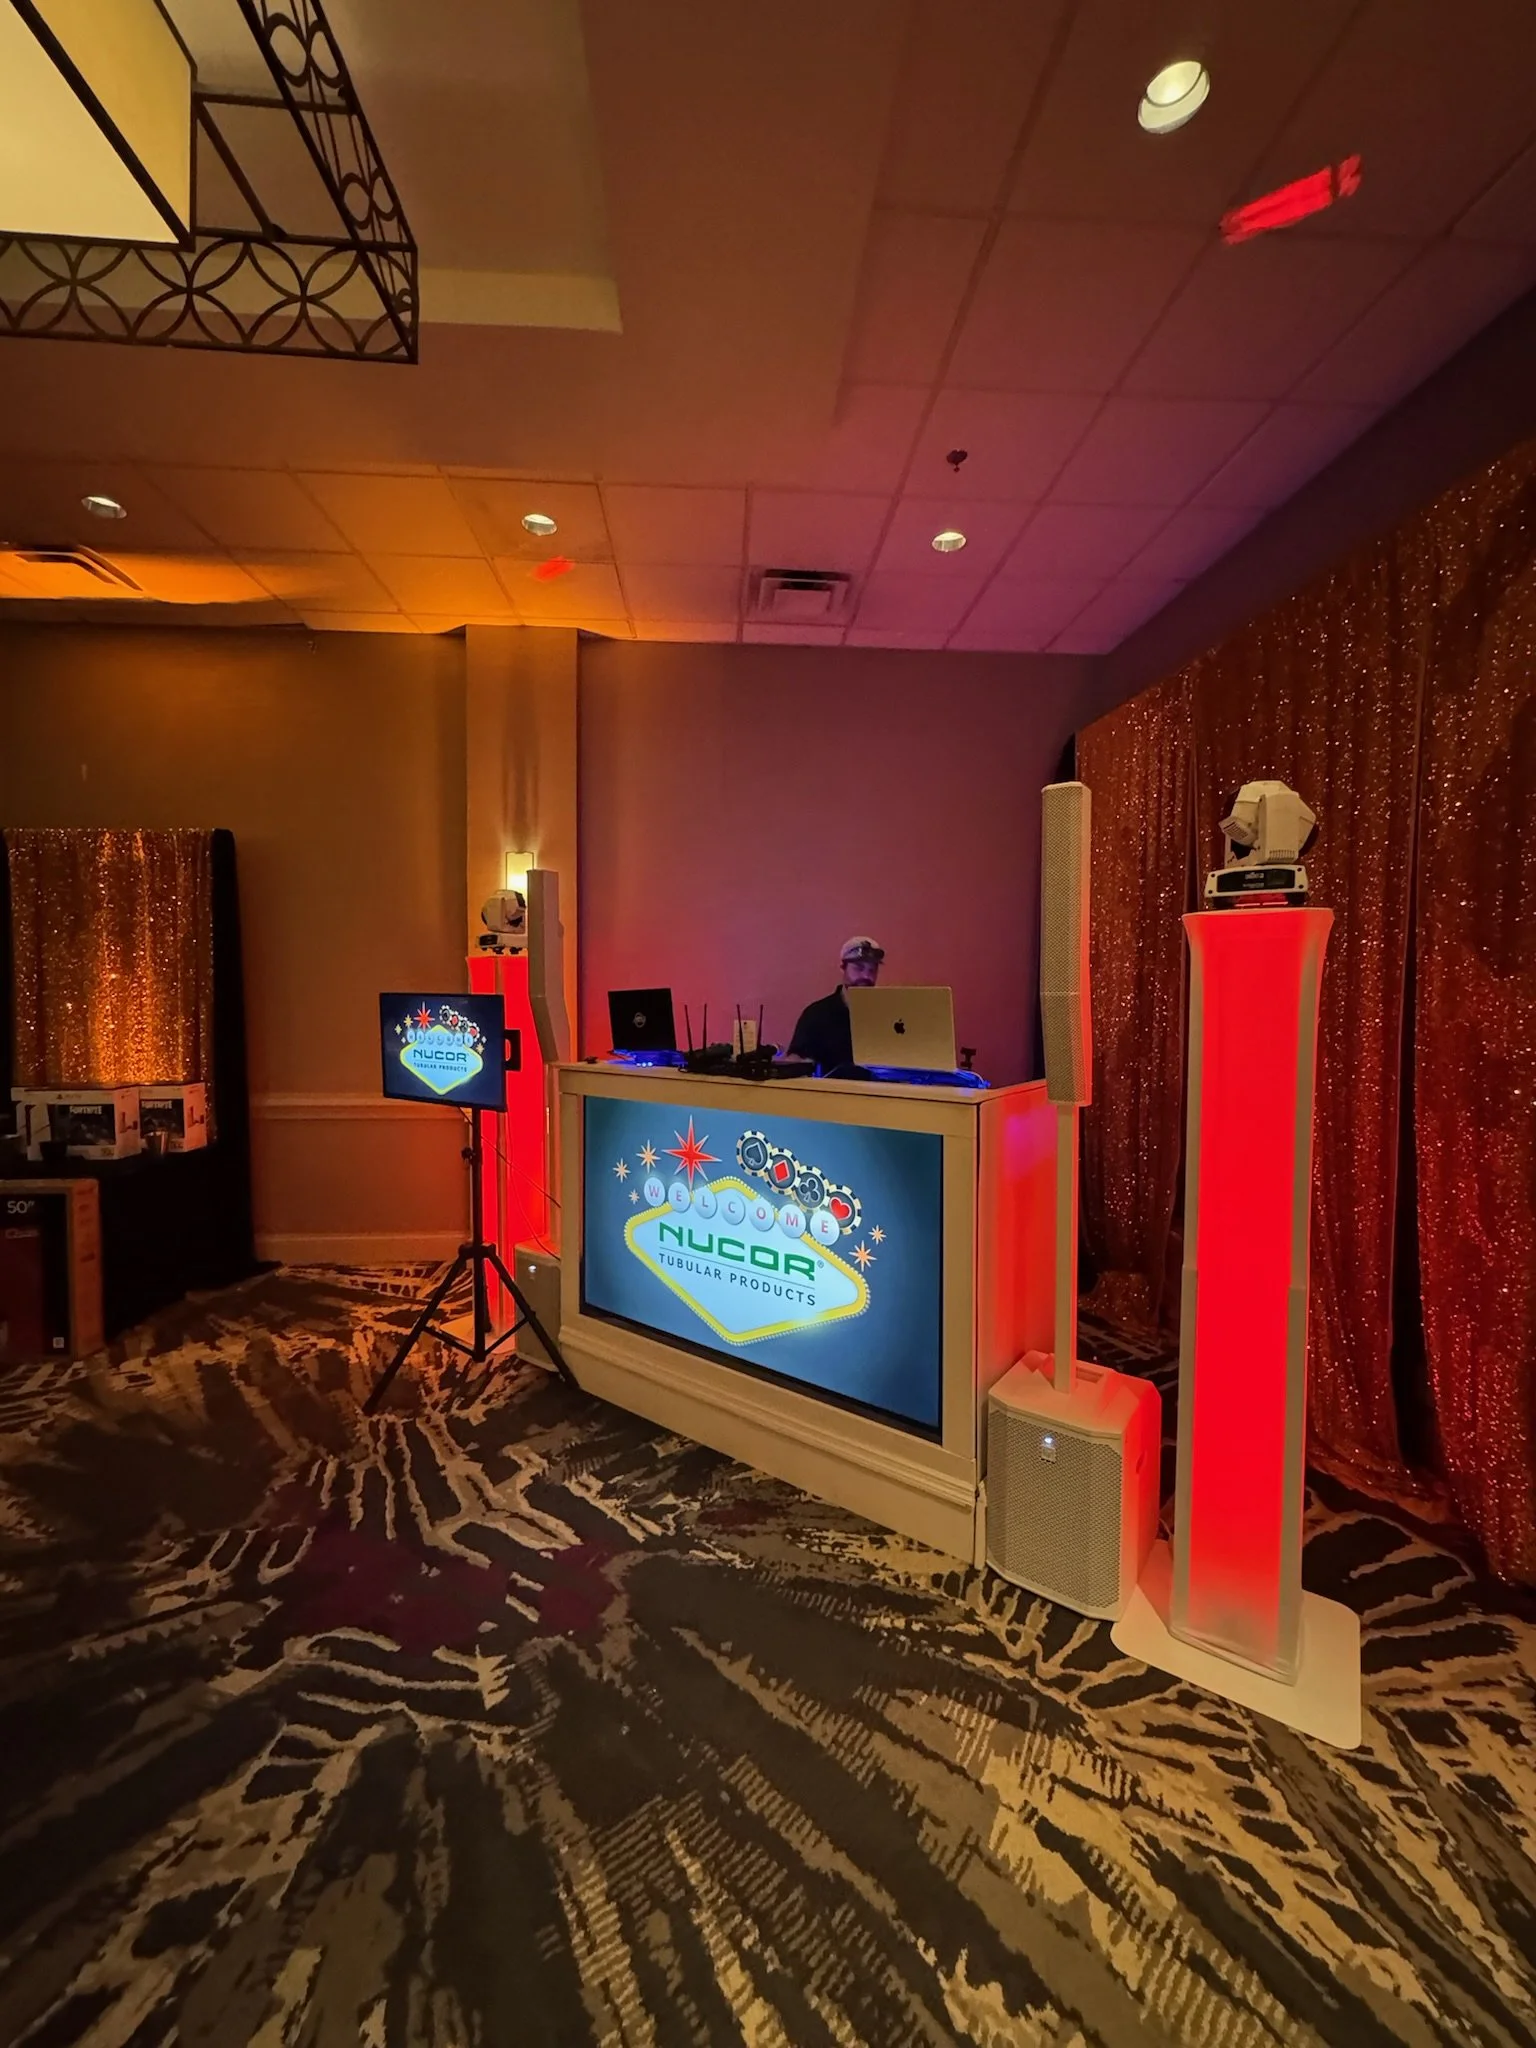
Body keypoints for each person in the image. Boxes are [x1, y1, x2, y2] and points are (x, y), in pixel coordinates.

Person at [788, 935, 884, 1074]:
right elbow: (796, 1059)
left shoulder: (887, 1015)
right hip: (830, 1093)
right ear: (842, 968)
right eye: (858, 968)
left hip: (883, 1092)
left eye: (872, 970)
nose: (866, 976)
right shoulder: (816, 1014)